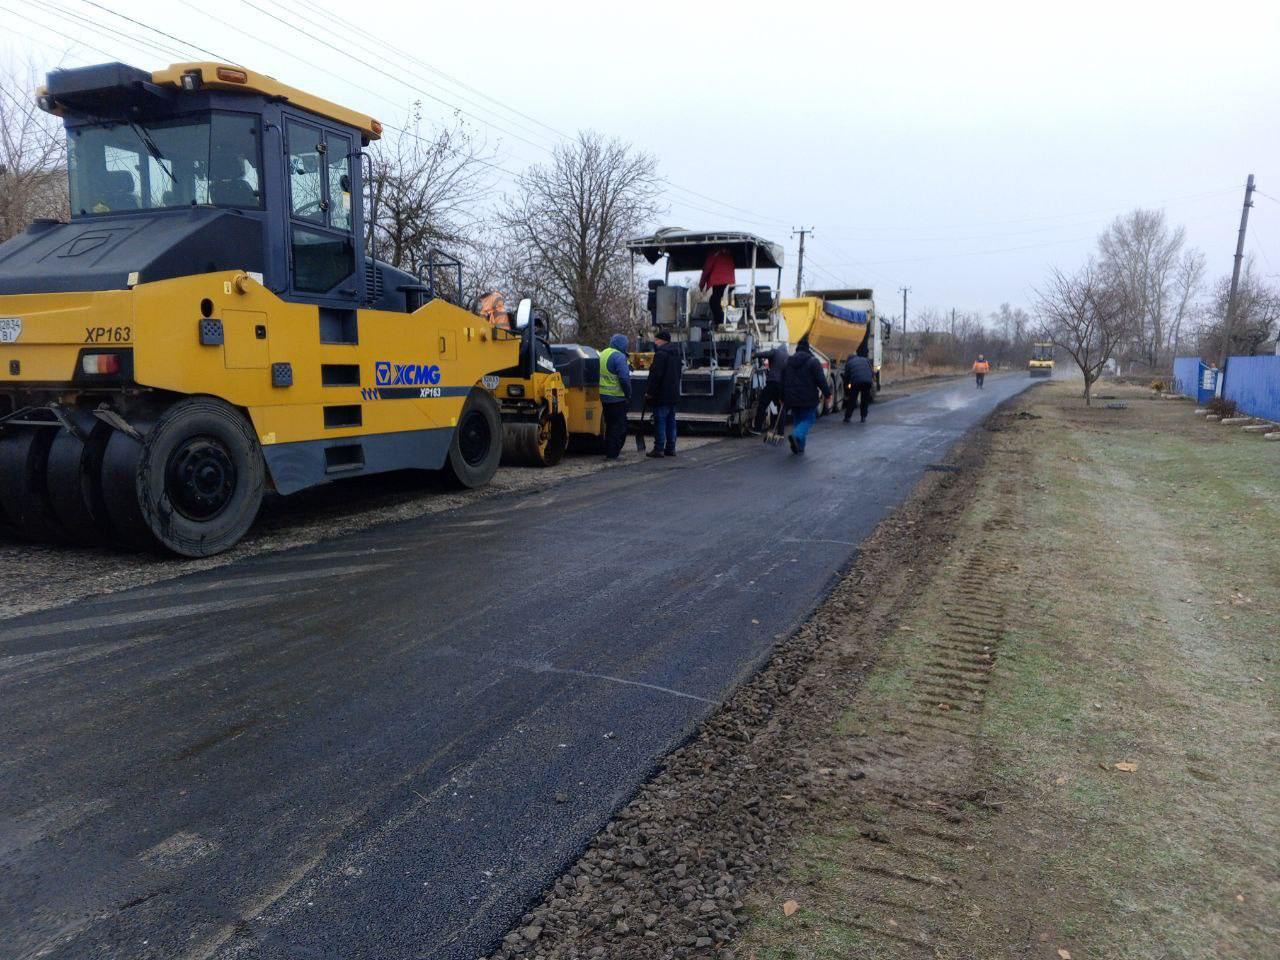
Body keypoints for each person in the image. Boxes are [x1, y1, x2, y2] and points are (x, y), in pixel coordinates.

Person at [781, 337, 831, 455]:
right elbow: (821, 380)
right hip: (808, 398)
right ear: (808, 349)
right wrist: (828, 394)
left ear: (797, 349)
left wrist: (782, 398)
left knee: (798, 420)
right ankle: (796, 435)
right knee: (809, 419)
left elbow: (782, 381)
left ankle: (799, 447)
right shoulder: (813, 362)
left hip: (792, 399)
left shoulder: (788, 362)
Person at [645, 329, 682, 458]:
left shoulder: (661, 354)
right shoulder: (676, 354)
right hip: (673, 394)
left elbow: (656, 375)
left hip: (661, 394)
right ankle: (671, 448)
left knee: (660, 421)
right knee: (671, 421)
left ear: (661, 340)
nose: (655, 342)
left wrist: (649, 392)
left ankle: (659, 448)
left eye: (656, 339)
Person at [598, 334, 632, 459]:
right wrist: (628, 393)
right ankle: (613, 454)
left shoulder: (603, 353)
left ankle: (608, 450)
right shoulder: (618, 356)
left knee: (610, 425)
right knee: (618, 427)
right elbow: (624, 378)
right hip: (617, 397)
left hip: (604, 396)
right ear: (622, 345)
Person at [753, 341, 790, 433]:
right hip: (781, 386)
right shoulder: (788, 358)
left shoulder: (775, 352)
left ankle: (757, 428)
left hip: (772, 383)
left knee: (762, 404)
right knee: (781, 407)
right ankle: (780, 432)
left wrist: (755, 354)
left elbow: (765, 354)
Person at [698, 246, 736, 328]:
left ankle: (720, 323)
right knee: (722, 302)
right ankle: (723, 321)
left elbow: (706, 270)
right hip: (730, 282)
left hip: (719, 282)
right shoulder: (727, 255)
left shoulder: (713, 255)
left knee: (714, 301)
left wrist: (701, 285)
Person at [842, 341, 875, 423]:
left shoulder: (849, 363)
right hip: (867, 382)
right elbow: (871, 372)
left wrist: (847, 389)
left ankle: (847, 417)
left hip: (856, 382)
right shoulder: (865, 360)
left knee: (852, 400)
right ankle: (863, 417)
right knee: (864, 400)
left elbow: (846, 377)